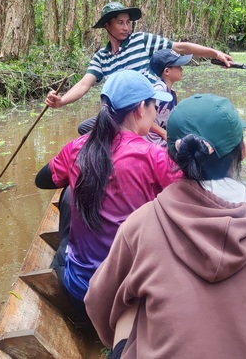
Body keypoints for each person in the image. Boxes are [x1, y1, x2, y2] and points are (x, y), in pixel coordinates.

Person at [85, 94, 246, 359]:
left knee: (128, 306)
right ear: (243, 150)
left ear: (174, 158)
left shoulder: (140, 225)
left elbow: (99, 305)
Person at [34, 70, 182, 310]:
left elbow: (42, 180)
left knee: (69, 194)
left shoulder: (77, 147)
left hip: (83, 293)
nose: (156, 113)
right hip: (136, 294)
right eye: (154, 106)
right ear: (140, 109)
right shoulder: (155, 156)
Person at [45, 2, 233, 114]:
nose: (126, 27)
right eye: (120, 23)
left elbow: (179, 47)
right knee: (86, 128)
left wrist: (214, 53)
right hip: (122, 113)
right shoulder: (101, 58)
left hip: (152, 108)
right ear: (106, 26)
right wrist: (62, 101)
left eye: (128, 22)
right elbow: (84, 84)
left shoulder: (141, 40)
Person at [145, 48, 192, 146]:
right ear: (167, 71)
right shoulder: (159, 90)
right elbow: (145, 118)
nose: (181, 69)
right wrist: (163, 133)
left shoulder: (171, 93)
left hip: (162, 139)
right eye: (178, 66)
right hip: (153, 141)